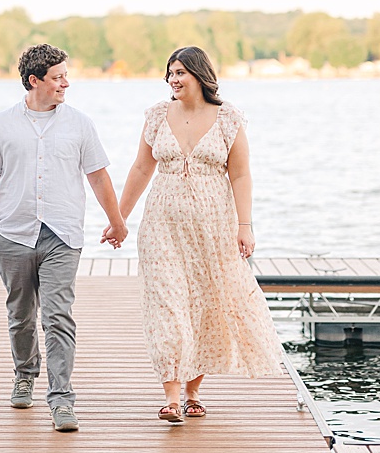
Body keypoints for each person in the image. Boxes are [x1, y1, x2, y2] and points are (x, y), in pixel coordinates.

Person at [109, 46, 282, 423]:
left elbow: (240, 174)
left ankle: (193, 390)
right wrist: (119, 218)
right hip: (162, 227)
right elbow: (141, 168)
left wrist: (244, 225)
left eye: (181, 72)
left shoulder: (228, 118)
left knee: (206, 307)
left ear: (200, 75)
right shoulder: (157, 115)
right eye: (170, 72)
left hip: (213, 227)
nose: (173, 79)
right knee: (168, 305)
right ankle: (171, 396)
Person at [0, 44, 127, 433]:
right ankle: (25, 373)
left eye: (65, 76)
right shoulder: (0, 124)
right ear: (34, 80)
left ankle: (61, 399)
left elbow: (98, 175)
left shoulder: (80, 124)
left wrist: (117, 220)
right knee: (20, 315)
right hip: (13, 233)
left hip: (63, 233)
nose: (66, 83)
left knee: (57, 316)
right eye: (58, 77)